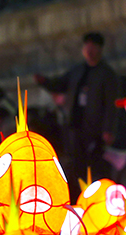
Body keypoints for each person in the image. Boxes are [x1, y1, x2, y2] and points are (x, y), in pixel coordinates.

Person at [36, 31, 121, 183]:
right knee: (76, 167)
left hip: (95, 129)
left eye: (93, 47)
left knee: (95, 167)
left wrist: (109, 129)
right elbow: (60, 83)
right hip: (76, 128)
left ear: (99, 49)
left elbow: (111, 104)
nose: (89, 51)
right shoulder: (78, 71)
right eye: (86, 47)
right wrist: (44, 81)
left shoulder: (107, 75)